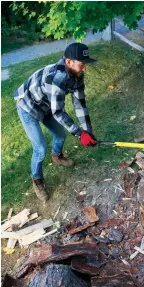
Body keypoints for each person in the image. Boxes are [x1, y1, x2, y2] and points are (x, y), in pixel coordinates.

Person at [14, 43, 97, 202]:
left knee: (60, 135)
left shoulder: (77, 74)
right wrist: (79, 134)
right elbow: (58, 111)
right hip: (27, 106)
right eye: (82, 64)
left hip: (46, 105)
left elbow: (80, 104)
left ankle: (57, 156)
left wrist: (88, 131)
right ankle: (37, 180)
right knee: (40, 149)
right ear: (68, 62)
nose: (84, 68)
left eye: (85, 64)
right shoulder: (57, 78)